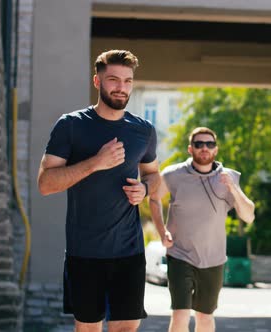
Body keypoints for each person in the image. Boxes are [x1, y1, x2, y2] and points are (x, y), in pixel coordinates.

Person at [38, 50, 160, 332]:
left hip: (129, 250)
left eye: (128, 81)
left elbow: (155, 178)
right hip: (85, 251)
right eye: (113, 79)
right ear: (97, 81)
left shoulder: (143, 130)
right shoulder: (71, 125)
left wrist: (144, 189)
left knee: (127, 327)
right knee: (88, 328)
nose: (121, 87)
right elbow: (45, 184)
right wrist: (95, 163)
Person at [149, 127, 255, 332]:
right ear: (190, 149)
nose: (204, 148)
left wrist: (233, 187)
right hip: (179, 255)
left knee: (205, 317)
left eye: (209, 144)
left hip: (213, 259)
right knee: (180, 314)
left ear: (216, 150)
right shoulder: (173, 174)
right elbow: (153, 199)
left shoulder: (229, 177)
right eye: (199, 144)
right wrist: (162, 232)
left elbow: (248, 216)